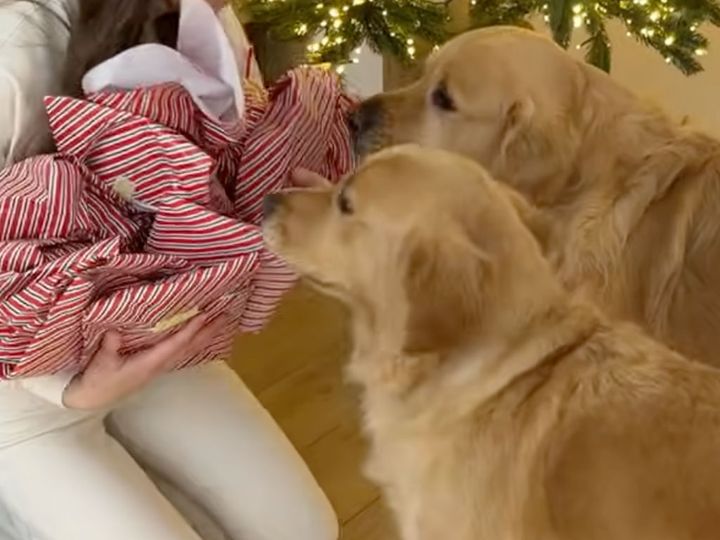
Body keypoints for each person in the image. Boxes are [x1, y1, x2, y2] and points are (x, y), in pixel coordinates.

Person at [0, 1, 339, 539]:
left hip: (153, 344)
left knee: (302, 529)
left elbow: (222, 194)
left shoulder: (207, 20)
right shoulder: (15, 50)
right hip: (19, 397)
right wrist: (68, 390)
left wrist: (298, 213)